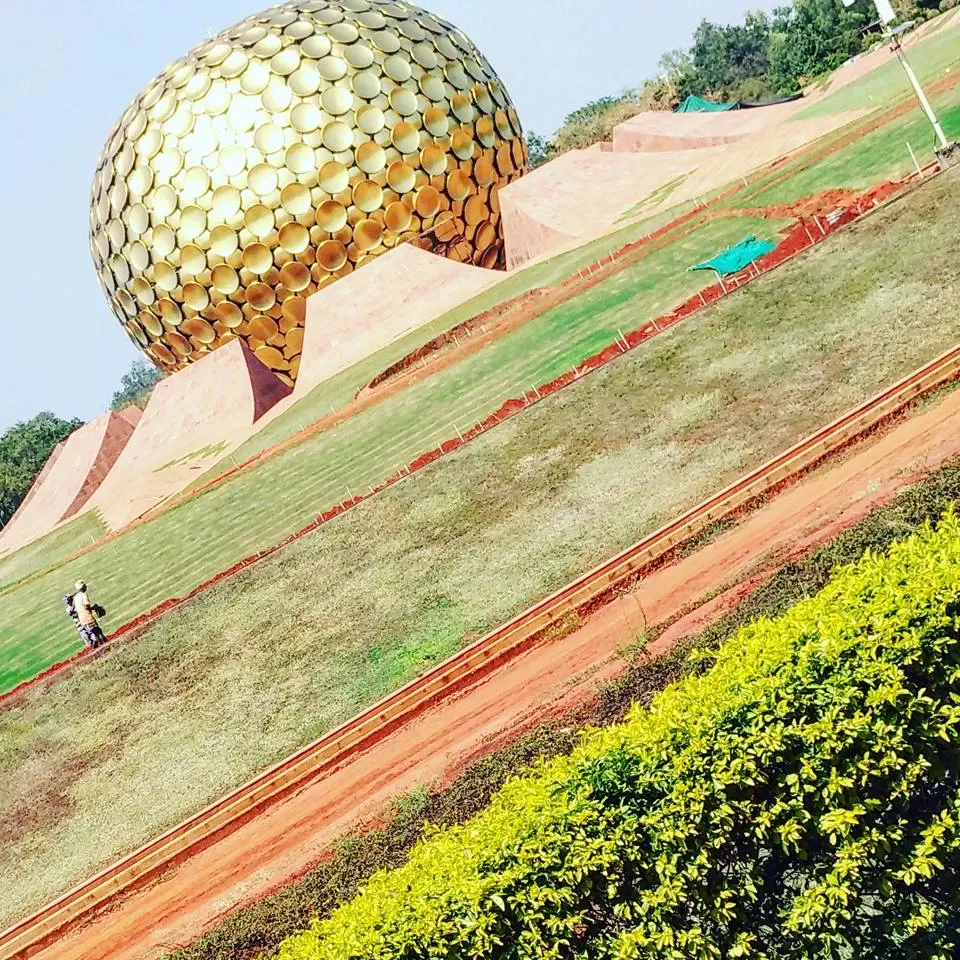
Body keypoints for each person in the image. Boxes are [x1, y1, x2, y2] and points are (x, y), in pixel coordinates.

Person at [73, 579, 107, 649]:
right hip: (88, 618)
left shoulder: (76, 598)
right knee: (98, 632)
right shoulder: (83, 595)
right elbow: (86, 606)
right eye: (85, 586)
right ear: (82, 587)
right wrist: (93, 608)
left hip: (82, 620)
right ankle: (106, 646)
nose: (86, 587)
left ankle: (101, 648)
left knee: (95, 634)